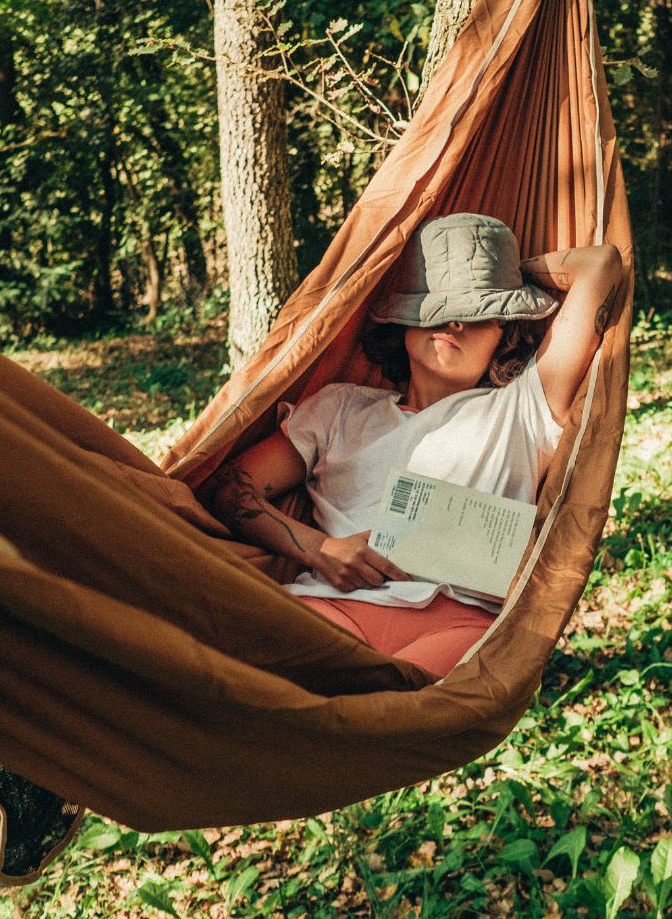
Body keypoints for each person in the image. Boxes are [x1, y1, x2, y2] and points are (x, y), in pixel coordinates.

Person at [209, 213, 622, 678]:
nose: (455, 322)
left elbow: (601, 264)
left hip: (460, 625)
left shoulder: (525, 406)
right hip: (333, 606)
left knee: (389, 709)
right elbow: (229, 487)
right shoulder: (339, 409)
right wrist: (319, 548)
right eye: (436, 305)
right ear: (403, 324)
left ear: (505, 332)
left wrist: (505, 274)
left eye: (478, 311)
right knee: (241, 668)